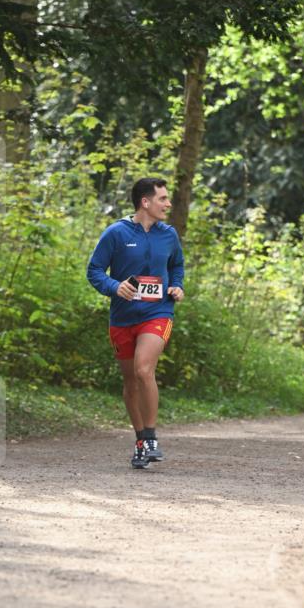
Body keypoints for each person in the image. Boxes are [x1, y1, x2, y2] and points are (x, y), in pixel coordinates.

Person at [87, 177, 184, 469]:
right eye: (163, 199)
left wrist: (177, 286)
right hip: (123, 317)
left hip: (158, 313)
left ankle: (152, 437)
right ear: (145, 202)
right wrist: (114, 287)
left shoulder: (169, 235)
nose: (168, 204)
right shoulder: (116, 233)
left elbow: (176, 266)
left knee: (144, 369)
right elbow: (94, 270)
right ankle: (140, 440)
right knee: (130, 381)